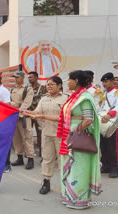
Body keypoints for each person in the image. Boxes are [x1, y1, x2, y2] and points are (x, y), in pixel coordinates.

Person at [57, 70, 101, 209]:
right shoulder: (73, 96)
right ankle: (68, 197)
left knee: (78, 168)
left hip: (78, 139)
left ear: (76, 81)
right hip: (69, 137)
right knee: (70, 168)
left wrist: (74, 131)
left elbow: (88, 120)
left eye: (69, 79)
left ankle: (79, 200)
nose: (67, 82)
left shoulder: (85, 97)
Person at [24, 76, 68, 194]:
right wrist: (26, 112)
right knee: (47, 159)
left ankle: (66, 185)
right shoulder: (44, 99)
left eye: (52, 84)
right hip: (47, 133)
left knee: (63, 160)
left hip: (61, 134)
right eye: (47, 84)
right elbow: (37, 112)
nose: (48, 86)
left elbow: (64, 118)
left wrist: (42, 117)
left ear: (59, 86)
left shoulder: (66, 99)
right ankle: (46, 182)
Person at [10, 71, 36, 170]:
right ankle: (19, 157)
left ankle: (30, 159)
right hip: (14, 116)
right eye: (15, 77)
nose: (15, 79)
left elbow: (27, 103)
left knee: (27, 138)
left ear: (22, 77)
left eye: (17, 77)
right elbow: (11, 101)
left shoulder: (27, 89)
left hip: (24, 116)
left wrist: (18, 111)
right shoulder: (13, 89)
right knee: (16, 139)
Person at [99, 72, 118, 178]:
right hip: (104, 123)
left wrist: (110, 115)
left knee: (113, 147)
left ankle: (115, 167)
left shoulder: (116, 92)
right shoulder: (104, 94)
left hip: (113, 123)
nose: (104, 84)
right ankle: (106, 165)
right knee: (104, 145)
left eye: (106, 81)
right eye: (103, 82)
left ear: (112, 81)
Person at [28, 72, 47, 157]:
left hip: (39, 113)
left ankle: (42, 152)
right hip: (29, 113)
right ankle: (29, 152)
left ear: (36, 78)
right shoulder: (27, 88)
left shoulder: (42, 88)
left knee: (40, 133)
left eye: (31, 77)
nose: (29, 79)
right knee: (27, 133)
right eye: (28, 77)